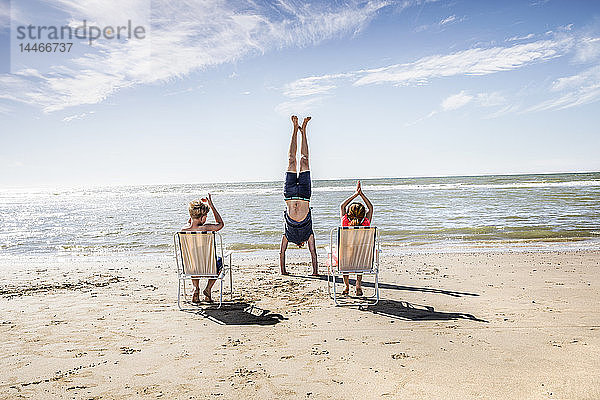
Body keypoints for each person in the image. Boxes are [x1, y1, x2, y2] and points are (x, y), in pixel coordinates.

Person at [279, 115, 319, 276]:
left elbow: (282, 253)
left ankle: (295, 129)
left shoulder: (288, 235)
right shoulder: (309, 234)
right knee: (304, 161)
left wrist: (283, 272)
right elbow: (314, 252)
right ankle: (303, 131)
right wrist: (315, 272)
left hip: (289, 194)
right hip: (304, 194)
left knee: (291, 161)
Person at [181, 193, 224, 303]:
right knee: (219, 260)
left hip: (191, 268)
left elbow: (191, 222)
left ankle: (196, 288)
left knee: (193, 259)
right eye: (206, 216)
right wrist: (211, 205)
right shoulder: (206, 228)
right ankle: (208, 289)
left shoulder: (183, 230)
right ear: (203, 217)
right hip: (209, 268)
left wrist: (194, 214)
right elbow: (220, 224)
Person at [339, 180, 373, 296]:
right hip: (362, 259)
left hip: (346, 258)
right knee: (360, 256)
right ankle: (358, 284)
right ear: (363, 214)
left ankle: (347, 286)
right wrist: (361, 194)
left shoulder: (345, 221)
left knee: (343, 256)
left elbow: (342, 206)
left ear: (349, 213)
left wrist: (355, 194)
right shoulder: (366, 223)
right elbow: (371, 208)